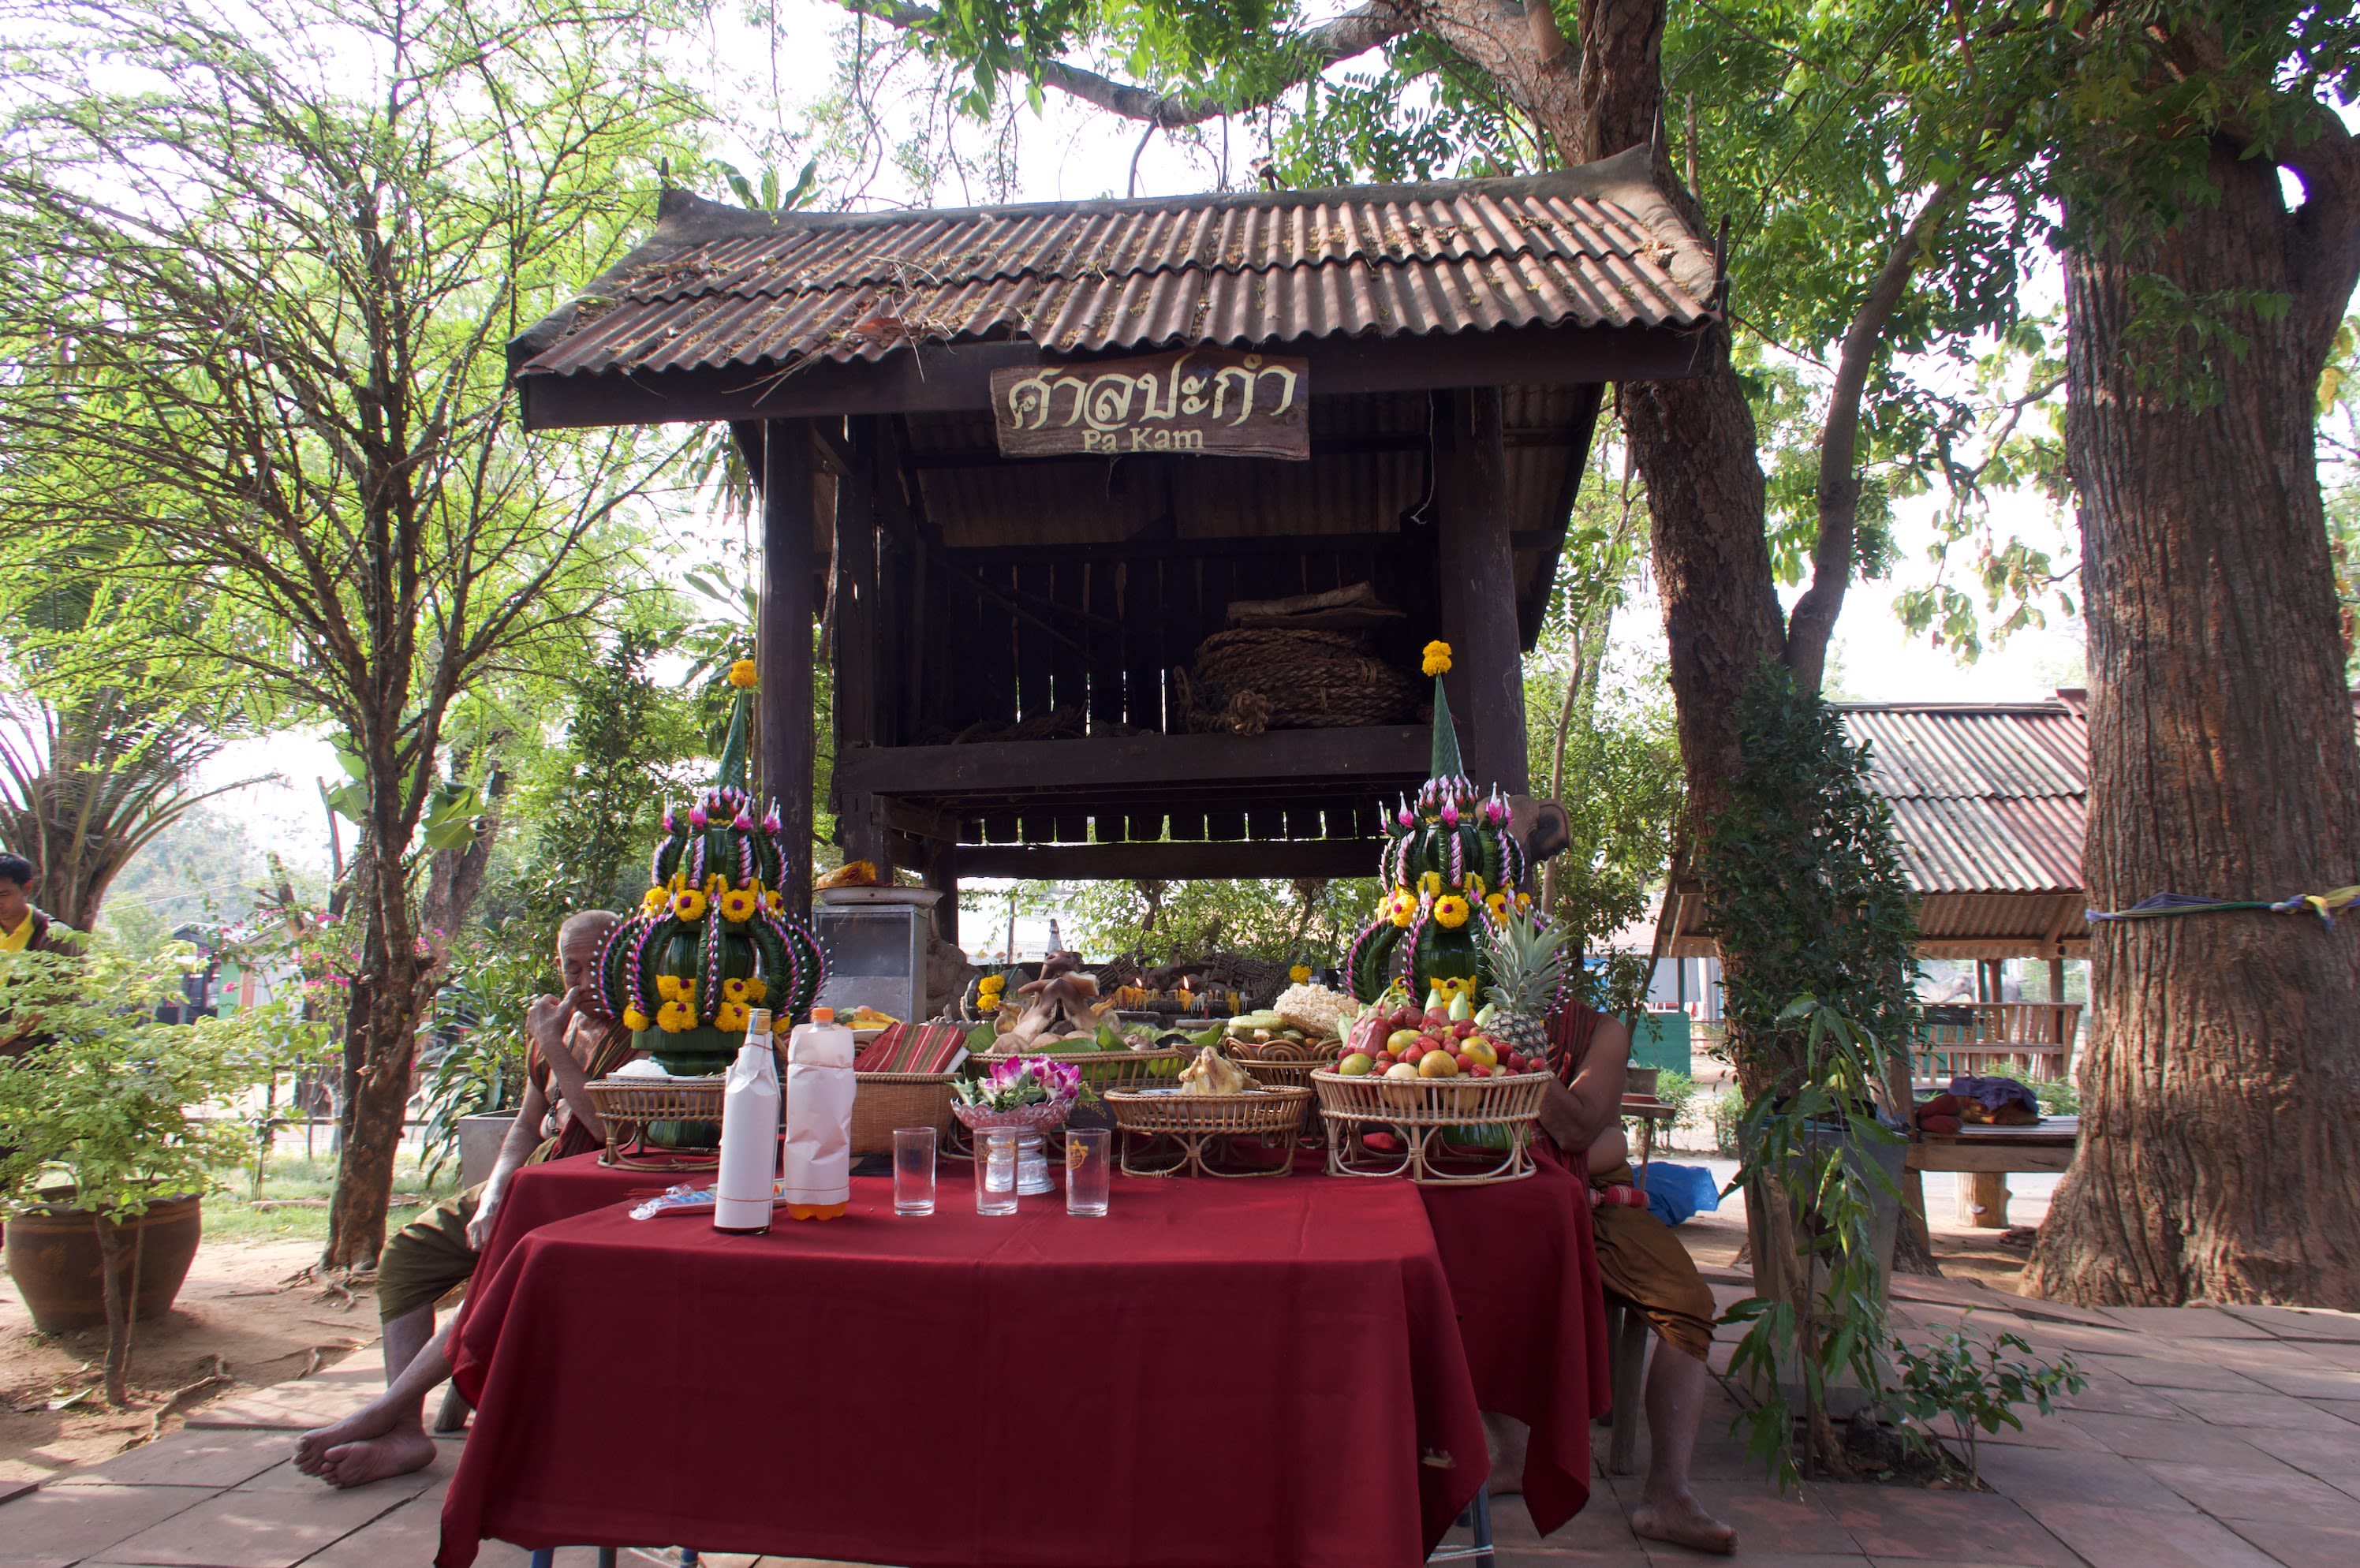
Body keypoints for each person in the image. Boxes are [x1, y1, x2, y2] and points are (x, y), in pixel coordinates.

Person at [295, 909, 633, 1488]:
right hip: (528, 1176)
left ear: (626, 964)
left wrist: (552, 1046)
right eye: (569, 967)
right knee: (406, 1255)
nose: (579, 982)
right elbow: (527, 1126)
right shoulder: (559, 1026)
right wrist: (493, 1192)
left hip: (585, 1189)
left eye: (593, 966)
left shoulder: (645, 1031)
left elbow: (607, 1130)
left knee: (493, 1283)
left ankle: (385, 1413)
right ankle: (405, 1428)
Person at [1487, 1001, 1738, 1555]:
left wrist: (1518, 1058)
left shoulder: (1601, 1031)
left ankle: (1669, 1495)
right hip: (1503, 1193)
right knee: (1471, 1277)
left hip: (1594, 1198)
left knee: (1688, 1301)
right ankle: (1512, 1457)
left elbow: (1578, 1129)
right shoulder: (1456, 1013)